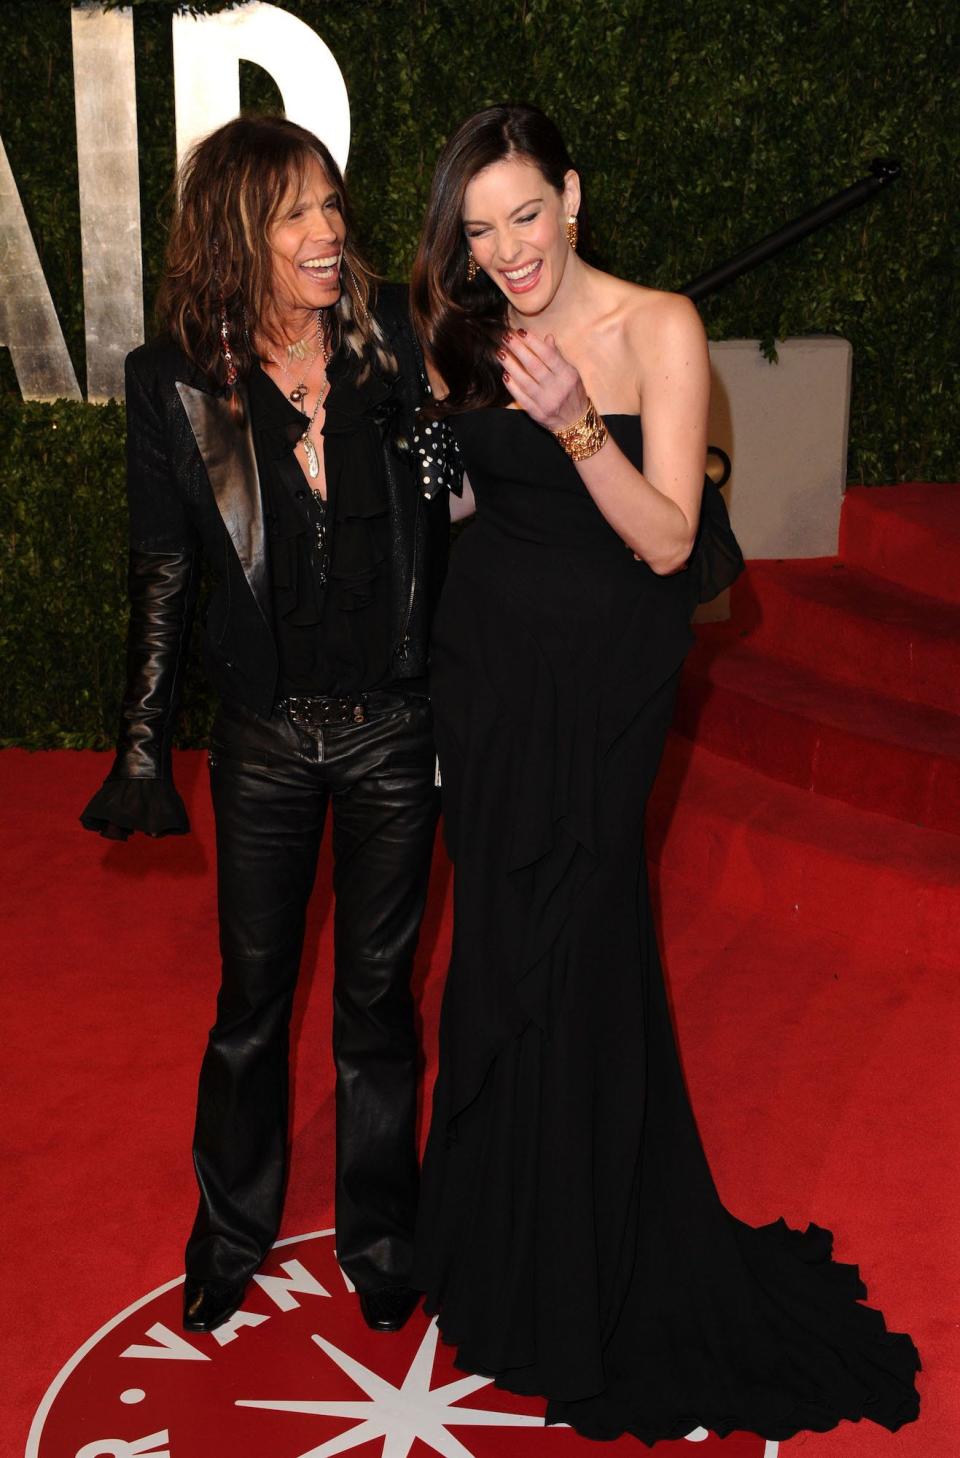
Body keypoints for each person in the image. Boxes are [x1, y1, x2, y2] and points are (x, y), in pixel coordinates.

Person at [409, 103, 920, 1444]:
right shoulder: (469, 328)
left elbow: (667, 540)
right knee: (503, 956)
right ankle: (498, 1252)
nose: (510, 251)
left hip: (607, 688)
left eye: (528, 214)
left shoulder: (662, 328)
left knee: (581, 945)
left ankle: (591, 1281)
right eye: (481, 229)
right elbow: (470, 509)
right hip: (492, 681)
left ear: (573, 195)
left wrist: (581, 421)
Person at [80, 114, 449, 1336]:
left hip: (395, 728)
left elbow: (468, 496)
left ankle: (383, 1234)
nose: (330, 230)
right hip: (266, 738)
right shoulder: (171, 381)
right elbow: (163, 571)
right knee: (251, 1002)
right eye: (297, 211)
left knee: (379, 1002)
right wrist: (141, 744)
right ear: (238, 230)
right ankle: (229, 1233)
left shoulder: (396, 337)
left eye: (332, 204)